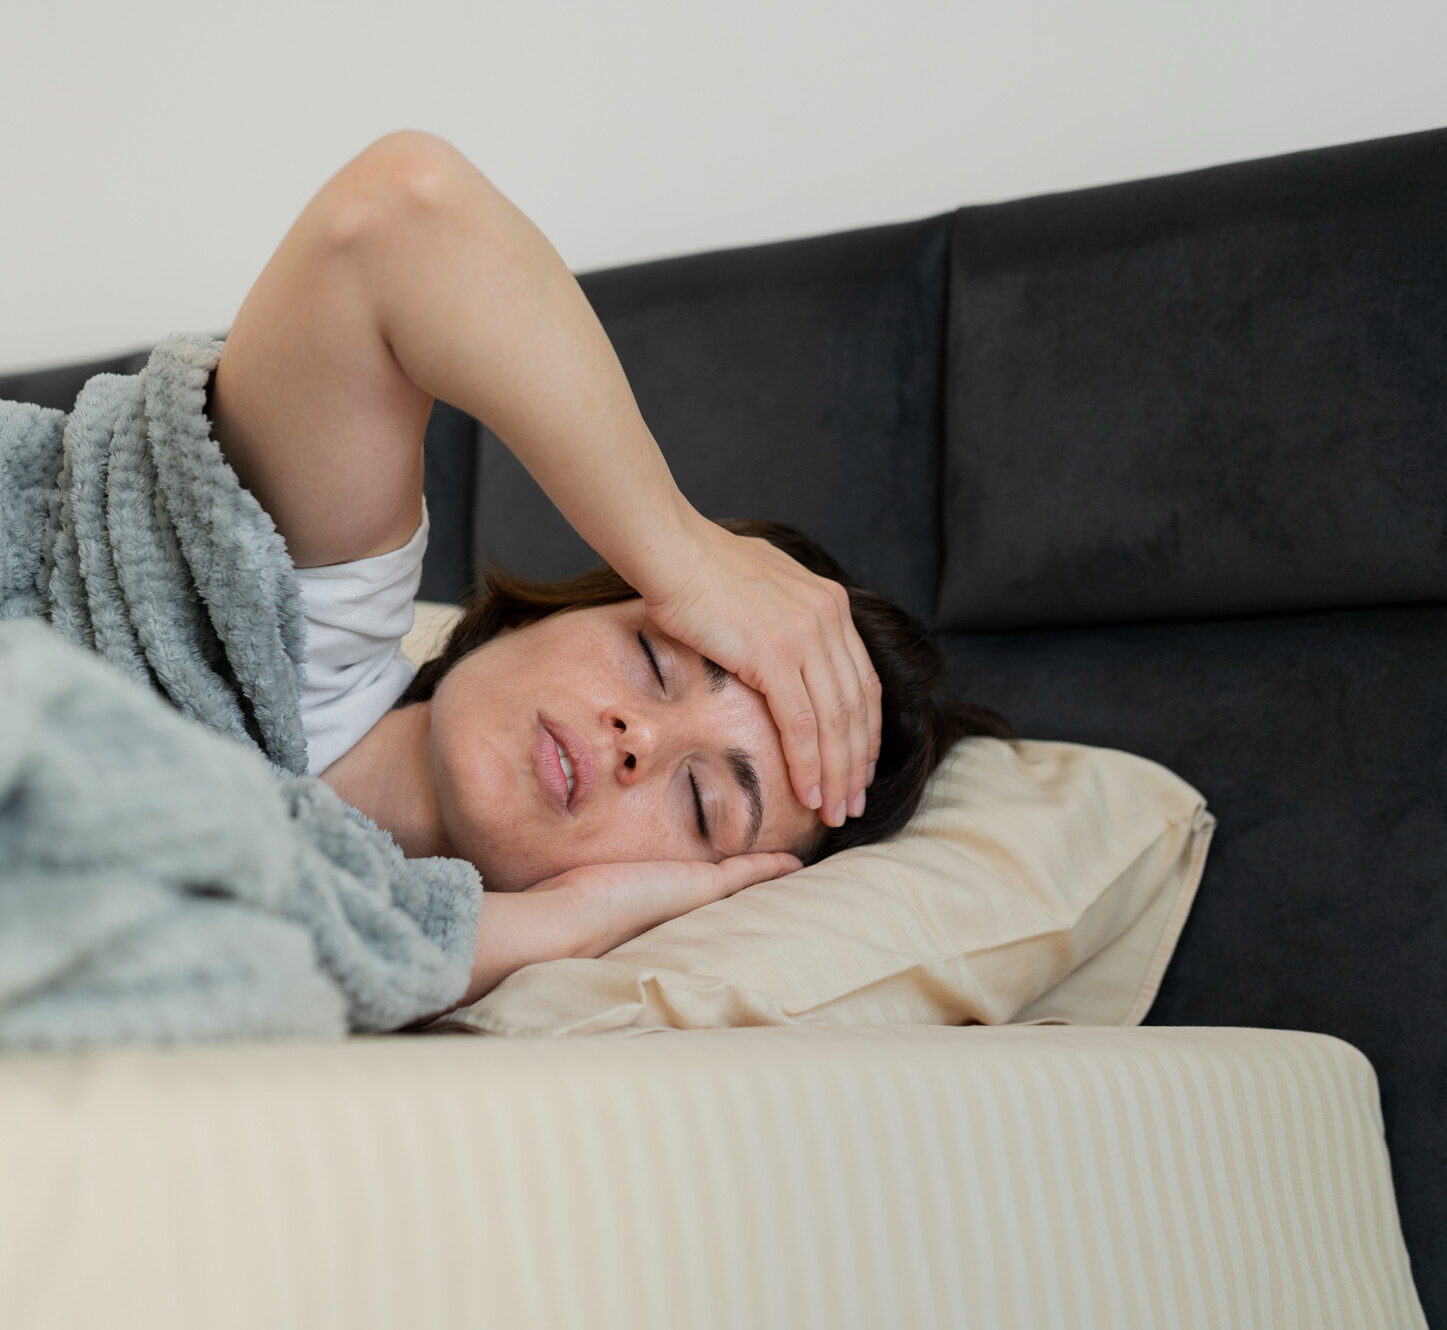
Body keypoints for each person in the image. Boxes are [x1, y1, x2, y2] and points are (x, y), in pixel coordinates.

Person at [196, 131, 1006, 1008]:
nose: (637, 740)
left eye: (701, 803)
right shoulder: (301, 625)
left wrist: (559, 924)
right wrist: (692, 564)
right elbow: (396, 214)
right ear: (555, 611)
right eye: (657, 662)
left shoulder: (392, 949)